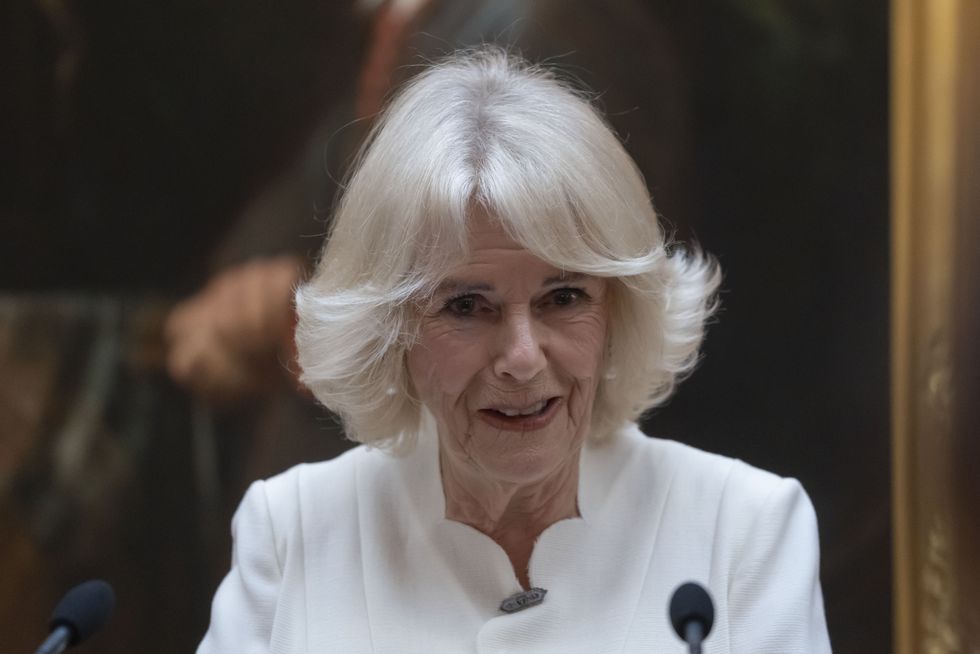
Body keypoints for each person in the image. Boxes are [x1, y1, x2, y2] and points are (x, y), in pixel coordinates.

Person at [197, 48, 831, 653]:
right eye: (467, 307)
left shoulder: (744, 530)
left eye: (563, 298)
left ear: (620, 310)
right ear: (389, 330)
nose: (523, 358)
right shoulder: (294, 531)